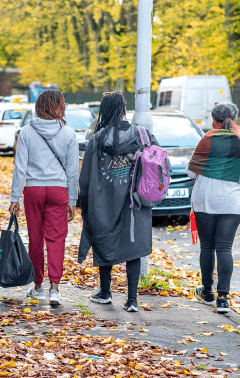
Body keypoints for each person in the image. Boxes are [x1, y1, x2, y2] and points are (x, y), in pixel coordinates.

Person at [79, 91, 157, 312]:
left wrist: (84, 204)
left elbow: (85, 177)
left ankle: (105, 293)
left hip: (104, 202)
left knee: (105, 242)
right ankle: (132, 300)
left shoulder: (97, 139)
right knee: (133, 245)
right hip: (136, 201)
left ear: (104, 110)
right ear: (123, 109)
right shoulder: (142, 135)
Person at [9, 89, 78, 307]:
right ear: (60, 106)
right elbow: (72, 171)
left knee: (35, 238)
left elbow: (20, 167)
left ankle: (38, 287)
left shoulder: (27, 132)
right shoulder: (69, 134)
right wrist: (73, 201)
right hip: (59, 191)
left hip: (34, 190)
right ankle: (55, 288)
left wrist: (14, 198)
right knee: (56, 239)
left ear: (39, 106)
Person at [188, 102, 240, 313]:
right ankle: (223, 298)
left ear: (214, 121)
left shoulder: (207, 140)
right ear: (234, 119)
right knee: (225, 248)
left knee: (207, 247)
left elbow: (191, 173)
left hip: (205, 200)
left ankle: (207, 292)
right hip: (232, 203)